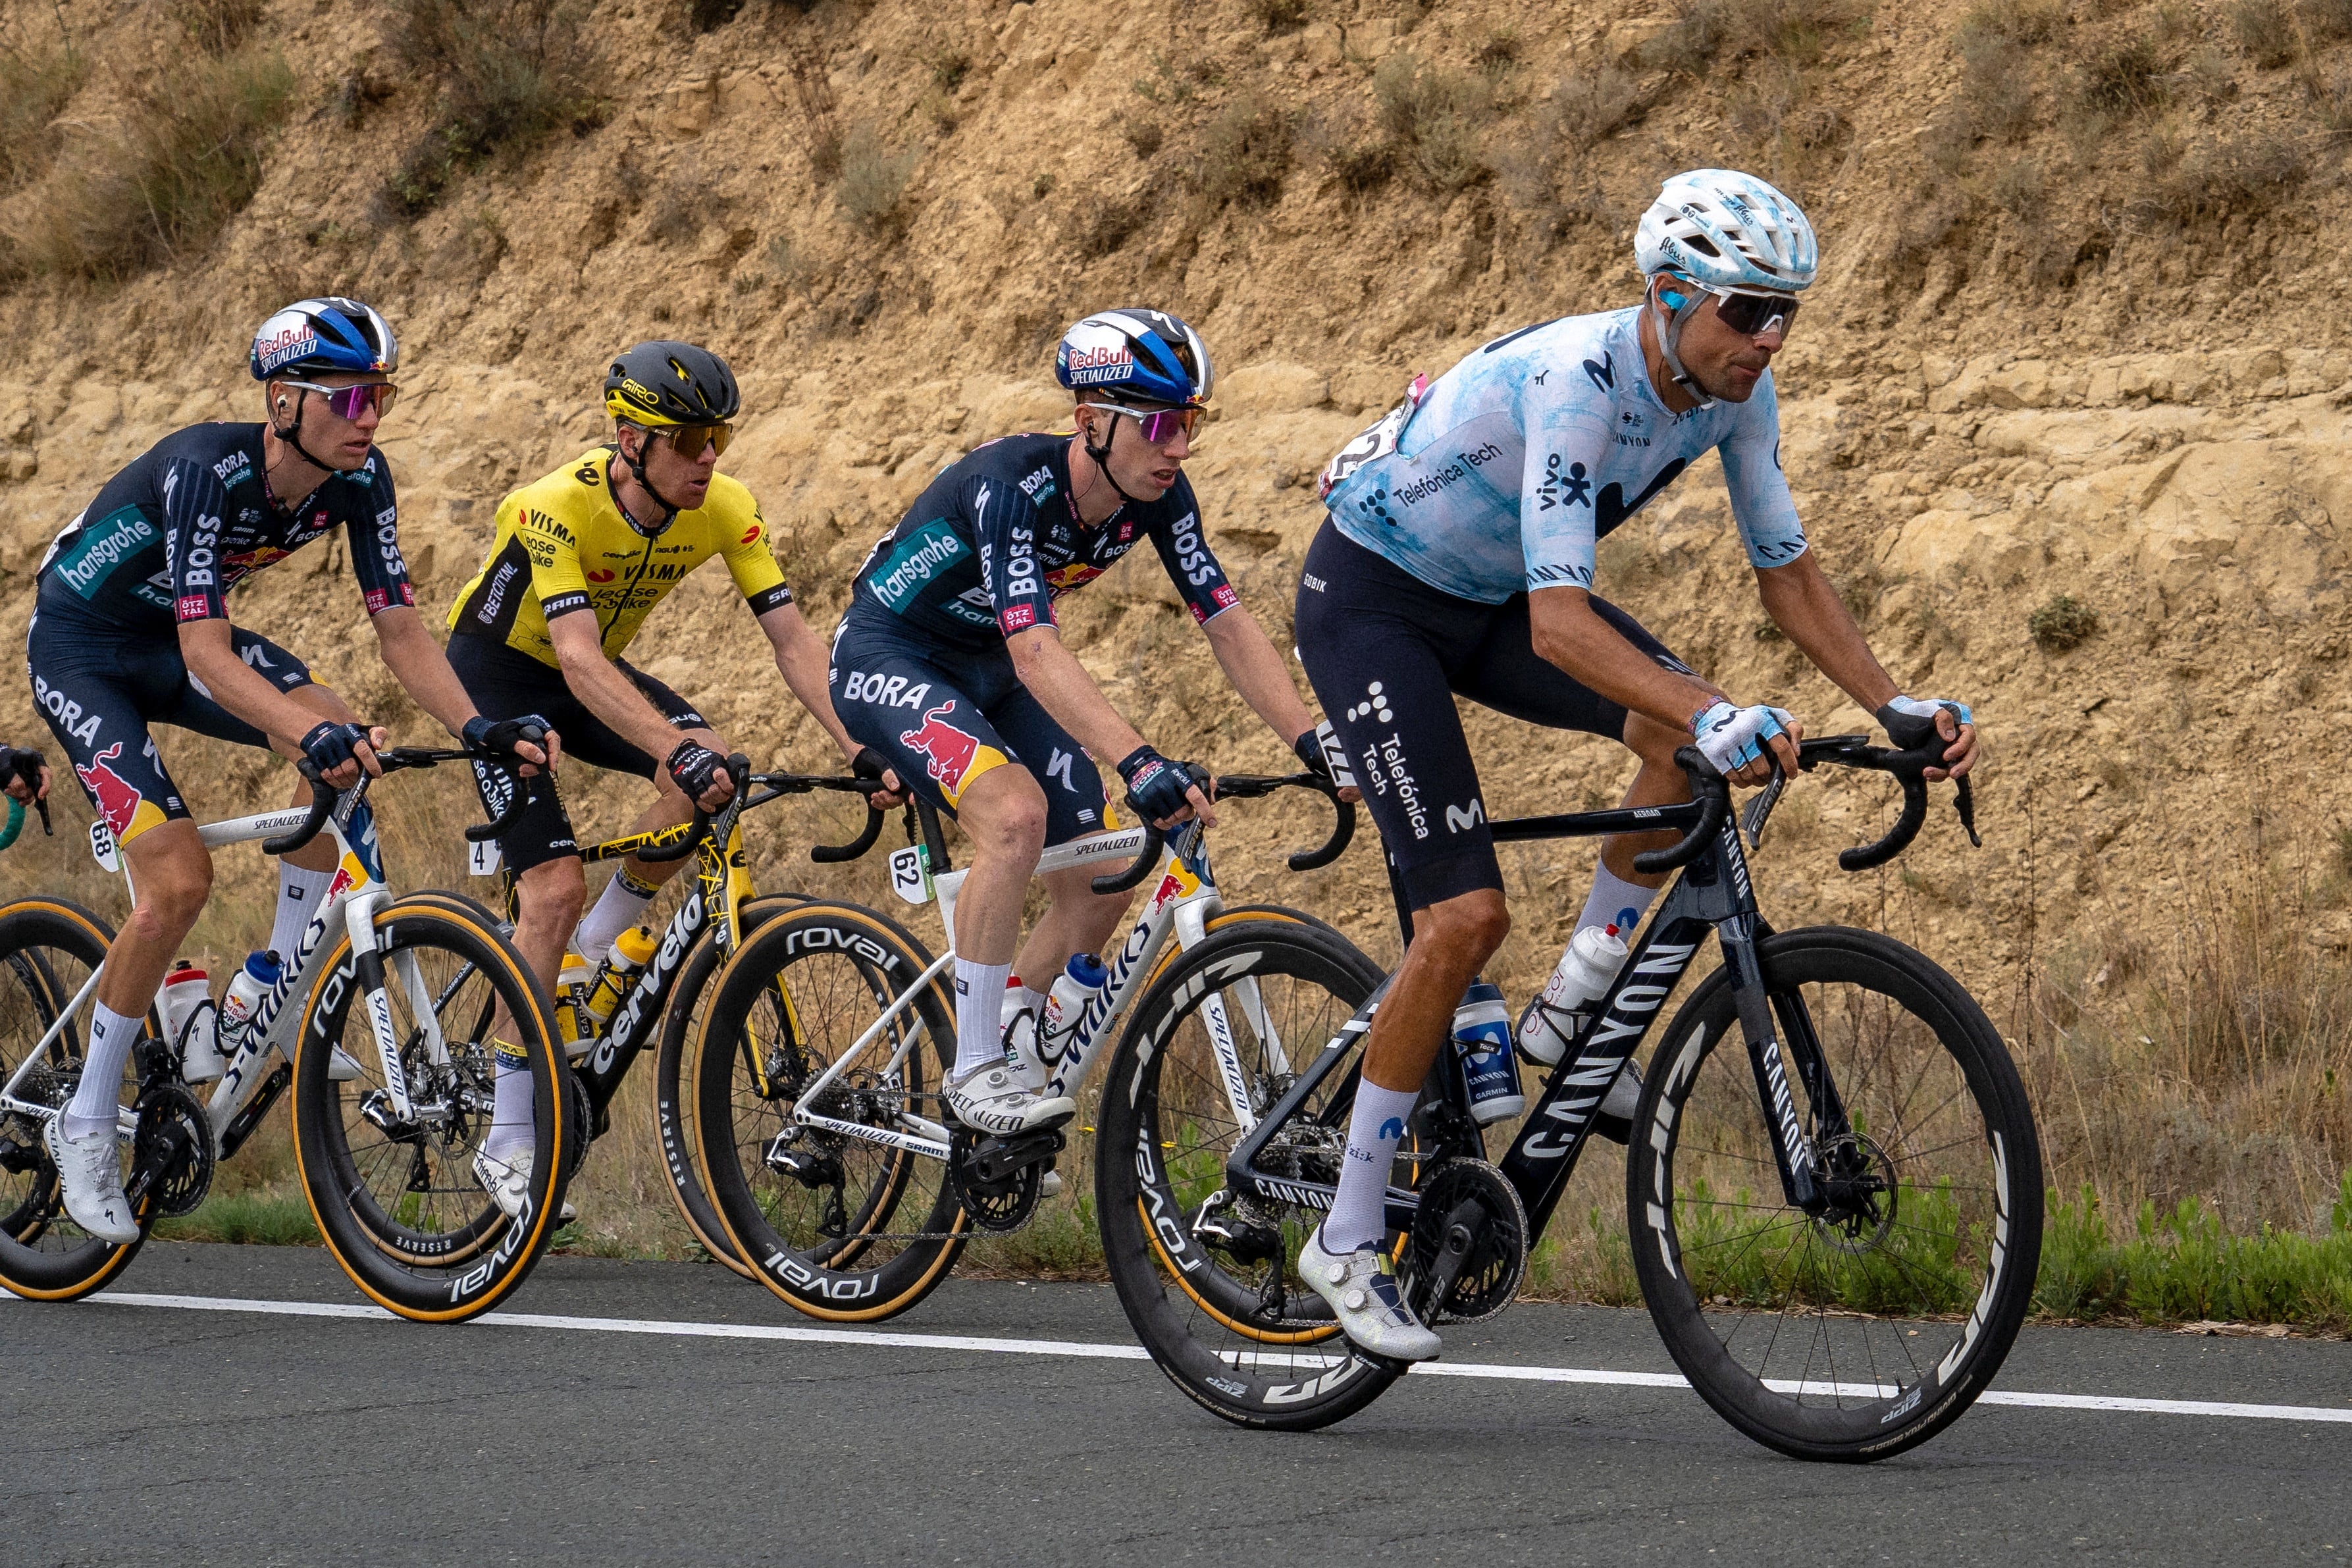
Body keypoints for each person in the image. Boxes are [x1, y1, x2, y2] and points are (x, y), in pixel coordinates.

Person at [1293, 169, 1981, 1361]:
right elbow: (1564, 626)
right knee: (1459, 919)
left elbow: (1788, 574)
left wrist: (1892, 701)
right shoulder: (1579, 381)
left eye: (1785, 313)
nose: (1766, 337)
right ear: (1667, 296)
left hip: (1490, 594)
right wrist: (1714, 706)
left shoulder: (1729, 390)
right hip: (1373, 600)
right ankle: (1345, 1234)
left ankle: (1568, 1015)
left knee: (1674, 732)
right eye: (1744, 309)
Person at [26, 298, 550, 1245]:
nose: (369, 417)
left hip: (177, 640)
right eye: (348, 398)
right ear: (282, 402)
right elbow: (204, 651)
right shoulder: (204, 469)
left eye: (378, 395)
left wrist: (479, 724)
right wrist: (302, 738)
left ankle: (259, 984)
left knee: (342, 743)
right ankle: (85, 1121)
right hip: (87, 646)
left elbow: (400, 632)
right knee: (179, 878)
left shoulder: (361, 479)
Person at [831, 308, 1351, 1141]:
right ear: (1091, 423)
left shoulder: (1159, 497)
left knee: (1108, 866)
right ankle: (971, 1071)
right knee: (1015, 819)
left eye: (1190, 423)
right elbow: (1037, 649)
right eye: (1159, 424)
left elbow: (1223, 619)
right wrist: (1138, 760)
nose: (1179, 446)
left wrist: (1311, 740)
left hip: (991, 672)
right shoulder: (1011, 486)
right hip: (893, 655)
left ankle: (1005, 1025)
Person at [445, 340, 901, 1218]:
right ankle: (507, 1136)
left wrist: (862, 744)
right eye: (688, 439)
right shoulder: (554, 506)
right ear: (628, 439)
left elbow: (794, 642)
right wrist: (667, 746)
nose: (709, 457)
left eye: (717, 436)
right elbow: (573, 657)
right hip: (499, 674)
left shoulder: (724, 505)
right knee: (550, 888)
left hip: (590, 672)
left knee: (711, 770)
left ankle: (586, 949)